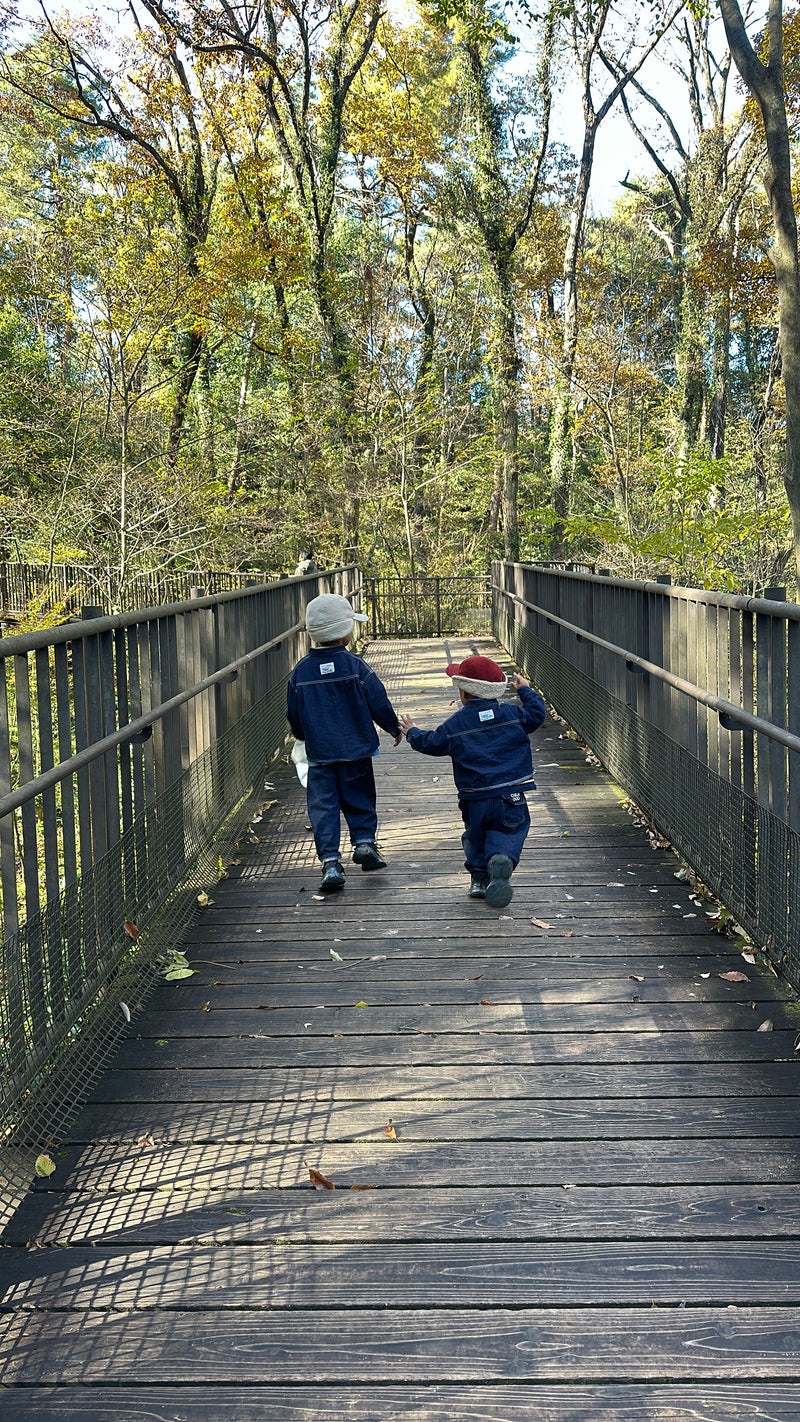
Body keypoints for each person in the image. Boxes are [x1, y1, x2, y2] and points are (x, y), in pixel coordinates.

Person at [398, 654, 546, 908]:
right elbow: (537, 714)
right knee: (509, 830)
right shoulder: (513, 715)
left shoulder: (456, 724)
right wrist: (526, 691)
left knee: (475, 835)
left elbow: (433, 743)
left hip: (475, 797)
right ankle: (502, 858)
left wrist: (412, 731)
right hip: (510, 794)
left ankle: (478, 879)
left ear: (464, 693)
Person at [287, 592, 402, 894]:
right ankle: (364, 843)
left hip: (320, 755)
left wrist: (302, 736)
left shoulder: (300, 672)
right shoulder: (356, 667)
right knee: (360, 797)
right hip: (356, 751)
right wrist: (393, 727)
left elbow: (293, 713)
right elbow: (377, 700)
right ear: (345, 633)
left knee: (323, 807)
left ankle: (331, 863)